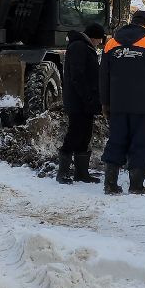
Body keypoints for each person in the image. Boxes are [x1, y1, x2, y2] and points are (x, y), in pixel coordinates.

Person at [98, 10, 145, 195]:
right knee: (141, 142)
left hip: (118, 104)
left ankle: (110, 184)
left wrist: (105, 103)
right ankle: (136, 185)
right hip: (144, 105)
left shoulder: (111, 44)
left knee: (116, 140)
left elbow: (103, 77)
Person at [56, 23, 105, 184]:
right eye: (99, 39)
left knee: (85, 135)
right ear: (93, 37)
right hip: (79, 101)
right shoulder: (79, 47)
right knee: (75, 133)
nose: (99, 43)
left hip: (85, 101)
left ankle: (81, 173)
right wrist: (88, 98)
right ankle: (62, 172)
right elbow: (78, 76)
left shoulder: (84, 47)